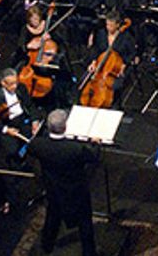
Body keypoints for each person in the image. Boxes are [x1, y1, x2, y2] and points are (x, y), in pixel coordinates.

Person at [27, 109, 101, 256]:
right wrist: (96, 144)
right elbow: (93, 156)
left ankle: (46, 246)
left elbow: (31, 147)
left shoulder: (38, 145)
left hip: (54, 190)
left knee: (53, 217)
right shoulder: (75, 149)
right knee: (85, 222)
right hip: (76, 191)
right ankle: (89, 253)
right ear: (65, 127)